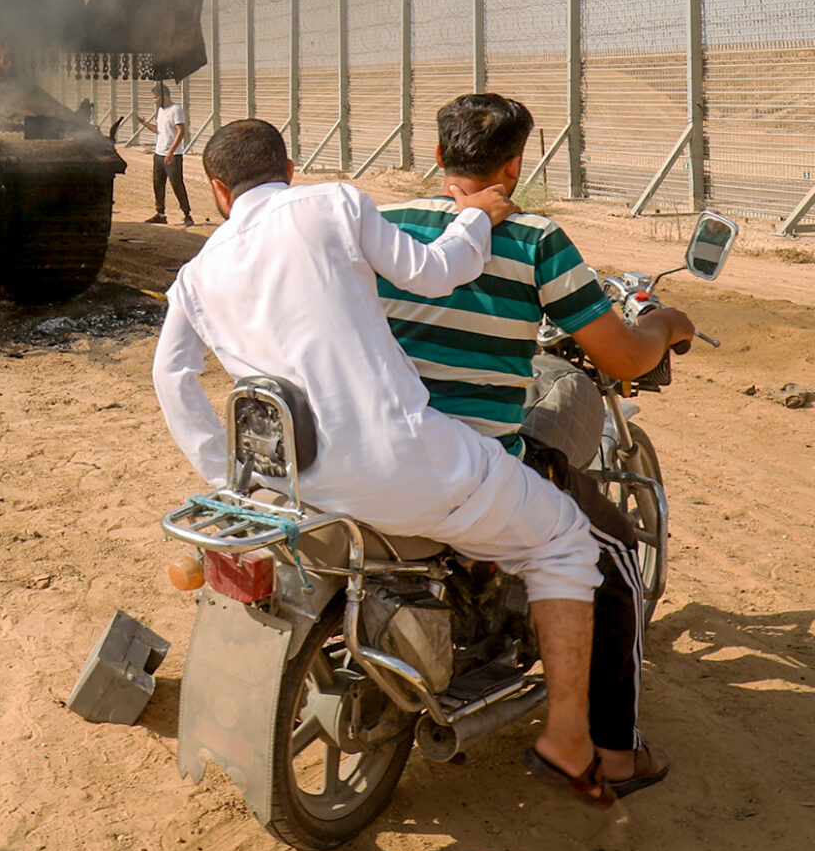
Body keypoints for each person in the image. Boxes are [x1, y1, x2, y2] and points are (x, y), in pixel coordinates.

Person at [150, 119, 623, 807]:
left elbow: (173, 379)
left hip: (291, 484)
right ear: (289, 165)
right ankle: (570, 741)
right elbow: (438, 272)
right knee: (564, 539)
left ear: (219, 192)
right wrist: (474, 218)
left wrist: (224, 475)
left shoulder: (197, 275)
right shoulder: (331, 203)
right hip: (403, 463)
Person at [376, 94, 693, 797]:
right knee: (611, 553)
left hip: (376, 453)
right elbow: (619, 358)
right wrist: (667, 324)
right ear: (517, 164)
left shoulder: (384, 226)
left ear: (436, 157)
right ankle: (610, 752)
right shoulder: (535, 240)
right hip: (471, 465)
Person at [135, 81, 194, 226]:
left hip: (172, 155)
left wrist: (171, 152)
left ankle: (187, 215)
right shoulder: (161, 111)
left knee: (177, 184)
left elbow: (181, 132)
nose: (154, 101)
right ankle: (160, 214)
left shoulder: (176, 110)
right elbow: (159, 130)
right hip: (159, 154)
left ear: (165, 96)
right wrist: (144, 123)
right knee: (158, 184)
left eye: (156, 98)